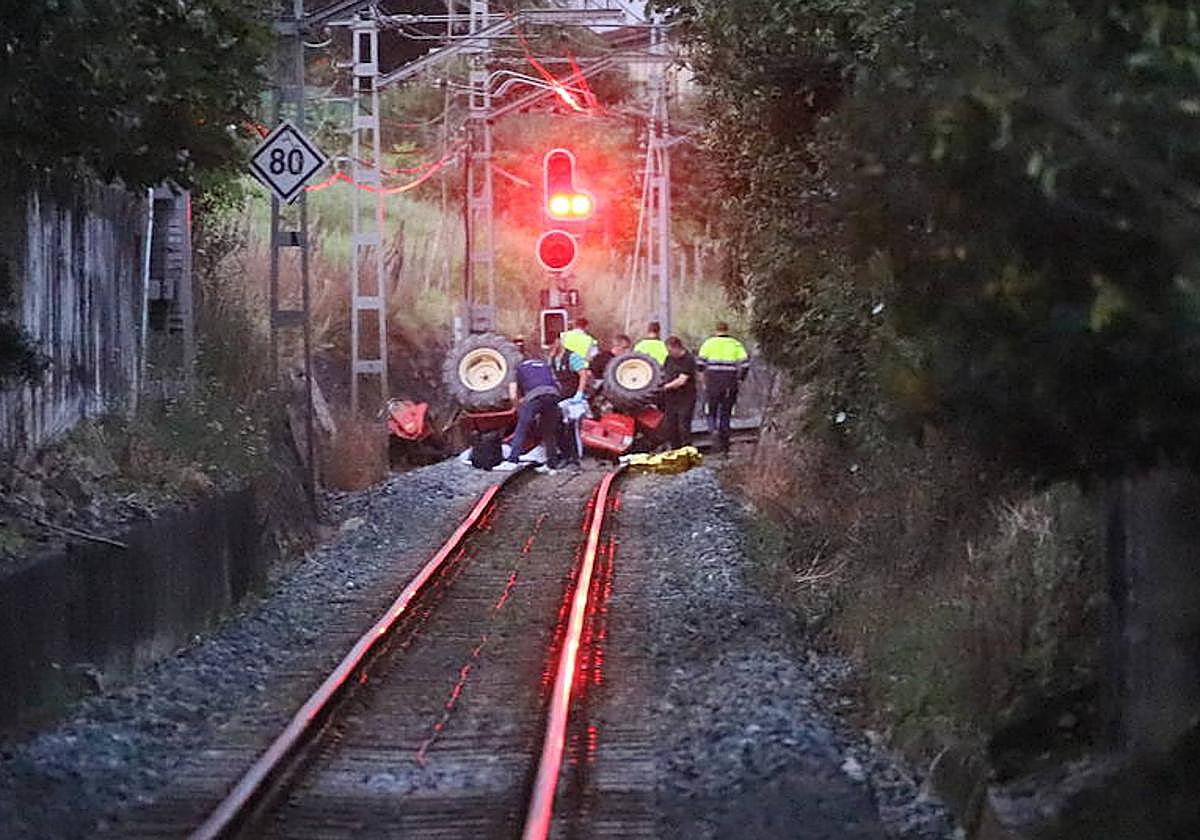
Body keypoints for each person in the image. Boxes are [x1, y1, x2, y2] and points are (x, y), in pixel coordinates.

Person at [495, 347, 561, 472]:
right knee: (548, 431)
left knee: (521, 428)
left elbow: (513, 395)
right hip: (553, 395)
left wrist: (519, 409)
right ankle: (552, 465)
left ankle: (512, 460)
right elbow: (557, 384)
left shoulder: (516, 369)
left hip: (535, 396)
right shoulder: (544, 365)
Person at [697, 321, 750, 452]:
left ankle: (713, 431)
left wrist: (703, 381)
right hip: (729, 382)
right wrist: (740, 379)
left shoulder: (708, 343)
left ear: (716, 330)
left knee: (711, 411)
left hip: (712, 382)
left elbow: (700, 365)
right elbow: (745, 364)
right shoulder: (735, 344)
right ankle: (725, 442)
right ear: (727, 330)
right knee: (726, 413)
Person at [548, 335, 590, 466]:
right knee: (557, 426)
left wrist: (580, 393)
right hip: (560, 398)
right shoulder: (552, 359)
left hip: (573, 398)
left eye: (553, 344)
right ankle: (565, 454)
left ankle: (576, 457)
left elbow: (583, 374)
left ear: (558, 341)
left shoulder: (572, 357)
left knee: (573, 428)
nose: (551, 347)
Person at [660, 336, 697, 450]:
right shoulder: (669, 358)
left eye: (670, 350)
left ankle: (687, 450)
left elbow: (682, 380)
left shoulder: (688, 359)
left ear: (677, 347)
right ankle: (675, 449)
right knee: (671, 427)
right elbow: (664, 373)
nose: (669, 353)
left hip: (685, 398)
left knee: (683, 426)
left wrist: (665, 387)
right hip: (671, 398)